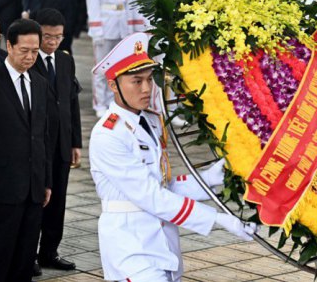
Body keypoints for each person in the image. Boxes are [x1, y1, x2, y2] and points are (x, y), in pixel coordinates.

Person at [89, 32, 256, 282]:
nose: (146, 89)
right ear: (113, 85)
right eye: (136, 81)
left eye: (149, 79)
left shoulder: (152, 121)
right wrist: (219, 219)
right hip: (130, 244)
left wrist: (211, 177)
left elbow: (165, 185)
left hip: (163, 243)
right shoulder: (109, 134)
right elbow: (151, 196)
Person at [0, 19, 55, 282]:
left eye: (34, 51)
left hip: (33, 187)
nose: (30, 57)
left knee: (25, 256)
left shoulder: (40, 84)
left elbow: (43, 137)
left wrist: (46, 180)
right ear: (9, 46)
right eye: (24, 50)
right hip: (0, 187)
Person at [32, 9, 81, 273]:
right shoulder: (27, 61)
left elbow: (71, 102)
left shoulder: (65, 61)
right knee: (36, 201)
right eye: (47, 36)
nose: (52, 42)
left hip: (61, 144)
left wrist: (75, 142)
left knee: (58, 201)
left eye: (58, 37)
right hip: (37, 144)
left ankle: (49, 252)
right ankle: (27, 254)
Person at [86, 0, 130, 117]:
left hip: (121, 25)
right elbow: (93, 4)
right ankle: (99, 103)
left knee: (119, 67)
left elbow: (128, 3)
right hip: (104, 25)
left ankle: (115, 100)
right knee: (102, 67)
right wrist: (96, 31)